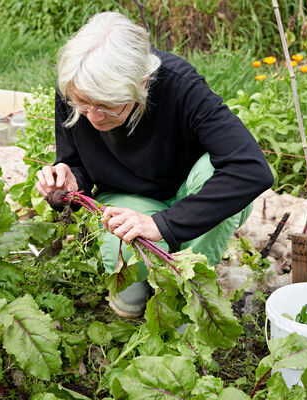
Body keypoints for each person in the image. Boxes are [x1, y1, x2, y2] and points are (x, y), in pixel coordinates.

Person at [36, 11, 274, 318]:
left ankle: (191, 296)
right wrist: (69, 182)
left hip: (190, 194)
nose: (93, 117)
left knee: (214, 171)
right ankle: (145, 293)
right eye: (83, 106)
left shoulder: (180, 85)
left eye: (107, 107)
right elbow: (75, 162)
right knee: (131, 299)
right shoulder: (75, 86)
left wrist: (164, 224)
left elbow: (251, 168)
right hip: (127, 200)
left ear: (143, 83)